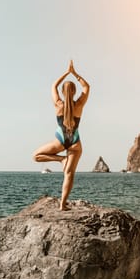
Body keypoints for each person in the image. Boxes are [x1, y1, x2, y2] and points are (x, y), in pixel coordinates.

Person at [33, 61, 90, 210]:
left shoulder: (58, 104)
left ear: (64, 92)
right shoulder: (79, 105)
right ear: (74, 91)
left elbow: (53, 86)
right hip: (75, 142)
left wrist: (66, 72)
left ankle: (60, 160)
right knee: (69, 174)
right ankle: (62, 205)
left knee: (36, 156)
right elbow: (86, 87)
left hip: (60, 140)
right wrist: (75, 73)